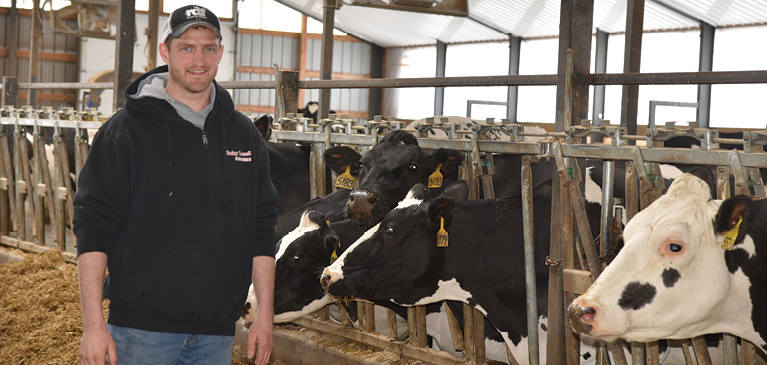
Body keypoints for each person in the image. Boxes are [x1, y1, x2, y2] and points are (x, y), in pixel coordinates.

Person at [74, 4, 278, 365]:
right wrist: (92, 325)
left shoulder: (243, 133)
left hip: (216, 332)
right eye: (186, 47)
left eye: (208, 47)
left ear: (220, 53)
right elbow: (93, 227)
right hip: (140, 331)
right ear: (165, 51)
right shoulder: (125, 131)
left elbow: (261, 228)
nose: (198, 59)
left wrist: (264, 316)